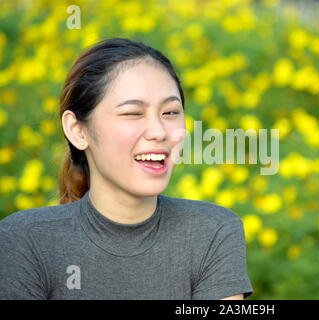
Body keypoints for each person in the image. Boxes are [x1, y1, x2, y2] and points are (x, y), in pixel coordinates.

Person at [0, 38, 253, 300]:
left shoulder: (211, 231)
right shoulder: (25, 240)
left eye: (170, 113)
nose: (158, 132)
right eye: (133, 113)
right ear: (77, 130)